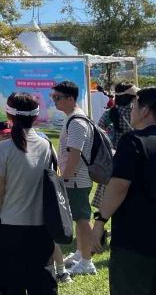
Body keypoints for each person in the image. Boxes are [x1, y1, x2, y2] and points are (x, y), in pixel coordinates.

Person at [92, 87, 156, 295]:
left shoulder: (133, 141)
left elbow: (118, 187)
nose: (132, 109)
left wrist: (99, 222)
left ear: (145, 111)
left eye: (135, 105)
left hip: (134, 247)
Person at [0, 92, 58, 295]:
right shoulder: (47, 145)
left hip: (10, 227)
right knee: (40, 282)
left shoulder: (2, 148)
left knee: (12, 284)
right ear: (35, 117)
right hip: (42, 227)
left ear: (10, 116)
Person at [52, 80, 97, 276]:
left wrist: (65, 177)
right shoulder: (74, 118)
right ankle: (81, 253)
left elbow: (75, 154)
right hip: (76, 178)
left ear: (71, 98)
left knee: (81, 218)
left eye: (58, 98)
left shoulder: (77, 122)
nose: (54, 101)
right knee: (80, 218)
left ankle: (87, 262)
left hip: (76, 179)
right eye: (53, 98)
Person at [93, 83, 136, 210]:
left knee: (110, 195)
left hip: (112, 158)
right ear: (130, 97)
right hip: (133, 157)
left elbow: (98, 130)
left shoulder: (110, 113)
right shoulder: (135, 112)